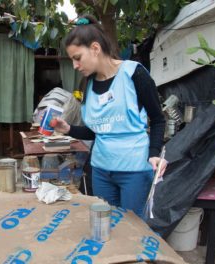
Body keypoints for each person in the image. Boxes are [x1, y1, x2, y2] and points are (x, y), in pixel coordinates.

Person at [51, 15, 167, 218]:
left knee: (132, 229)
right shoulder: (88, 85)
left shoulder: (134, 74)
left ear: (95, 48)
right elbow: (97, 131)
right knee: (106, 225)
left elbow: (158, 119)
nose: (75, 66)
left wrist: (155, 153)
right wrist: (68, 129)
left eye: (77, 58)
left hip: (134, 172)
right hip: (101, 171)